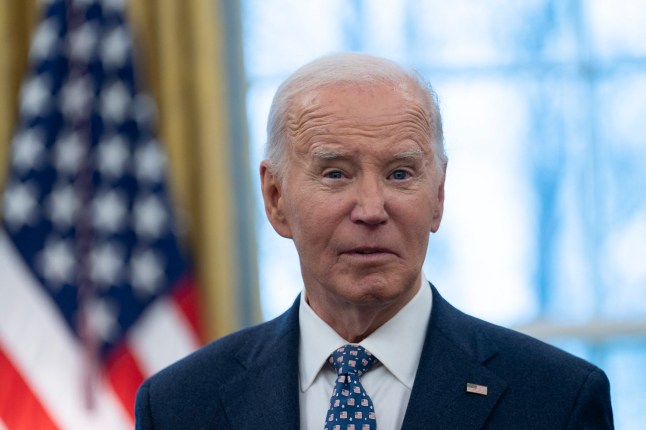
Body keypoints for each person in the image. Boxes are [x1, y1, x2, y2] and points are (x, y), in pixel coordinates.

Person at [135, 52, 614, 429]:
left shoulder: (556, 399)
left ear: (439, 196)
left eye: (400, 173)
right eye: (336, 173)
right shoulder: (179, 405)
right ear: (276, 198)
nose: (370, 209)